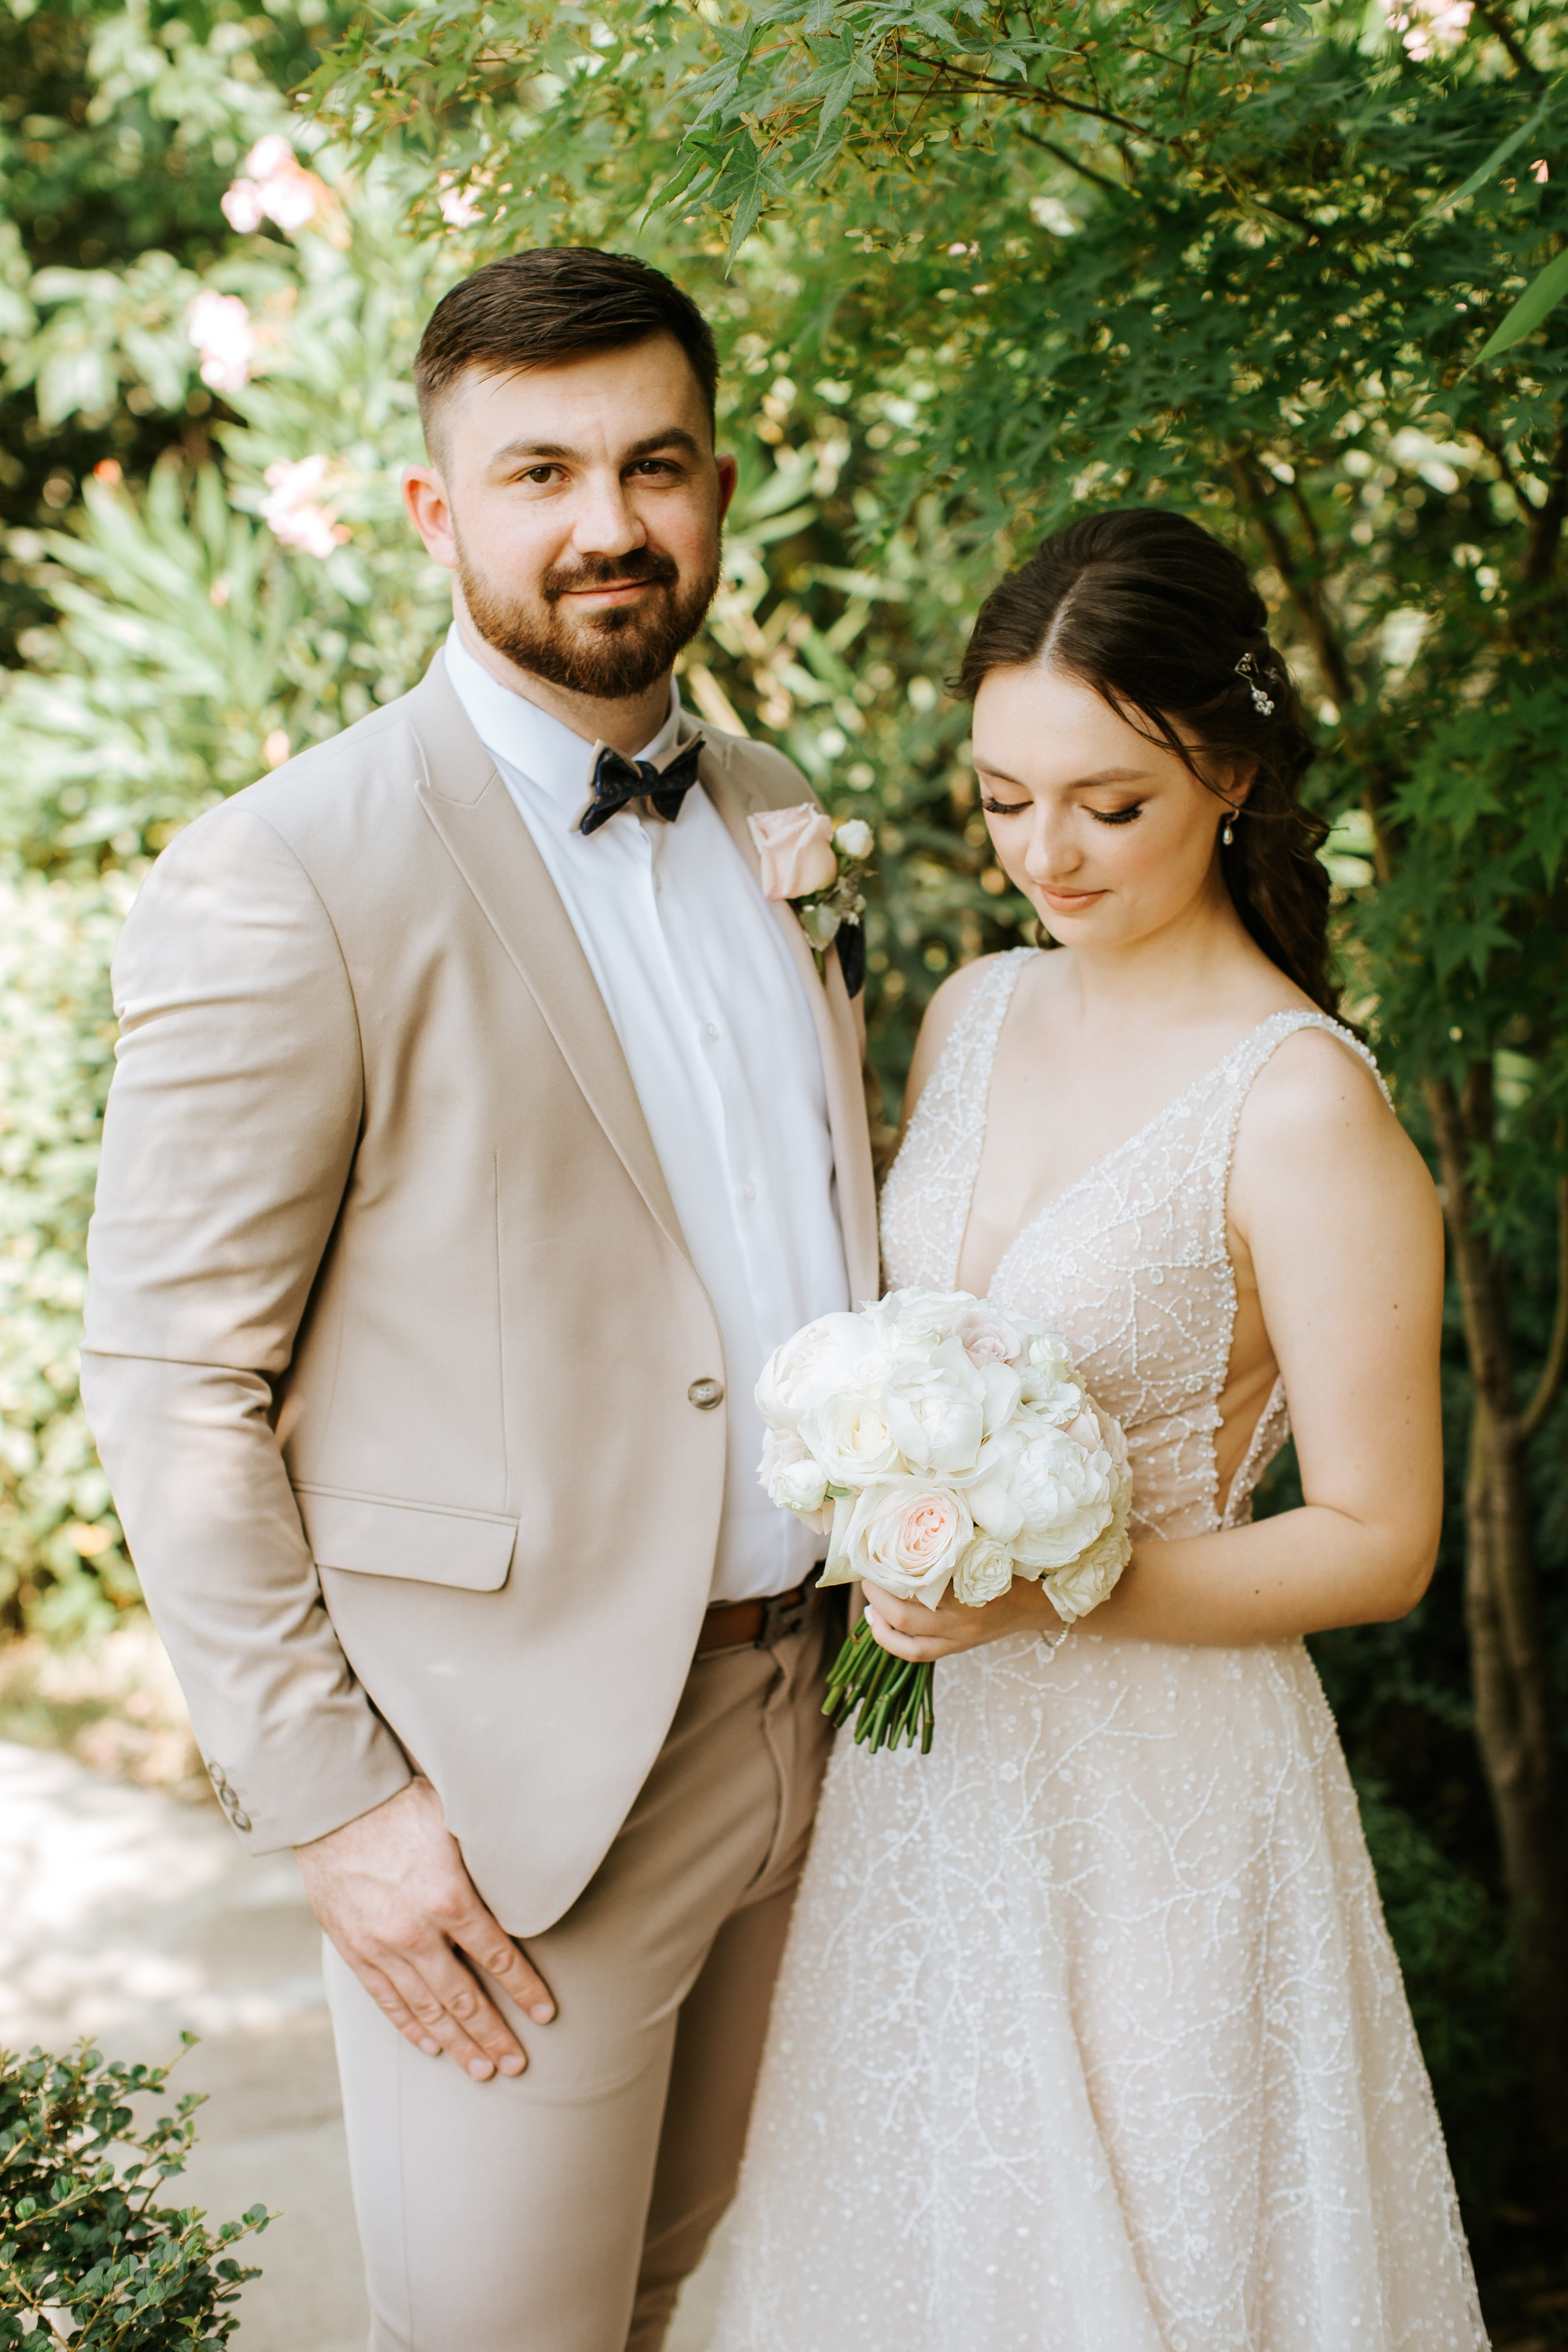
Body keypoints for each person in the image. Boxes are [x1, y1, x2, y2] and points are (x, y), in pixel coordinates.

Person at [79, 246, 878, 2352]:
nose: (606, 520)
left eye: (655, 464)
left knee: (679, 2301)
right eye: (539, 469)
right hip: (519, 1788)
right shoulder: (295, 872)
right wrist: (341, 1806)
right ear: (438, 511)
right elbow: (172, 1376)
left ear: (717, 490)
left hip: (834, 1724)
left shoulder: (779, 819)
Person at [712, 507, 1488, 2351]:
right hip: (931, 1777)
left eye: (1108, 805)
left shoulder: (1298, 1107)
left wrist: (1046, 1590)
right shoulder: (972, 1014)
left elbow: (1381, 1542)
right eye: (1001, 800)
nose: (1042, 854)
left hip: (1167, 1805)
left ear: (1227, 772)